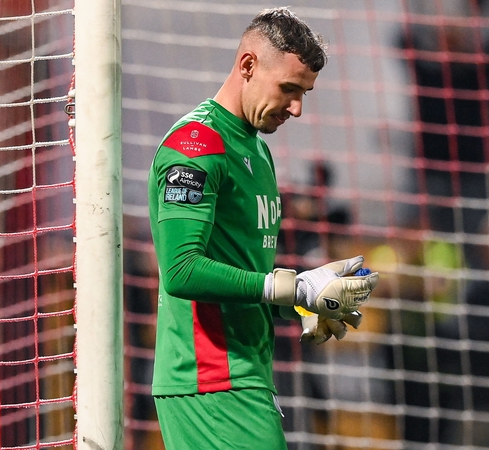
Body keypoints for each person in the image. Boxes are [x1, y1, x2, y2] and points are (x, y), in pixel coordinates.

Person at [146, 7, 379, 449]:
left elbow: (243, 274)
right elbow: (181, 271)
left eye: (305, 93)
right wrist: (291, 289)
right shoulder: (195, 146)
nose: (297, 108)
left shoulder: (257, 149)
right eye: (289, 89)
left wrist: (305, 303)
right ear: (248, 66)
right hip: (210, 378)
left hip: (243, 374)